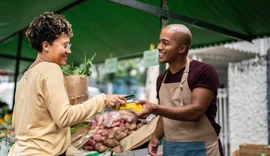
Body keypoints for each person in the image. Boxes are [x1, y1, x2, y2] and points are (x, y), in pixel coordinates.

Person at [8, 12, 126, 156]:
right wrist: (103, 100)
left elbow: (21, 124)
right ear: (46, 45)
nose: (69, 51)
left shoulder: (26, 76)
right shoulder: (50, 69)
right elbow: (64, 117)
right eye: (65, 45)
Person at [135, 24, 223, 156]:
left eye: (165, 43)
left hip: (202, 149)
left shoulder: (203, 71)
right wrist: (155, 137)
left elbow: (195, 112)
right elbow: (165, 114)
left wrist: (154, 108)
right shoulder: (161, 78)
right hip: (172, 149)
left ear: (182, 48)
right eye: (159, 41)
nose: (159, 47)